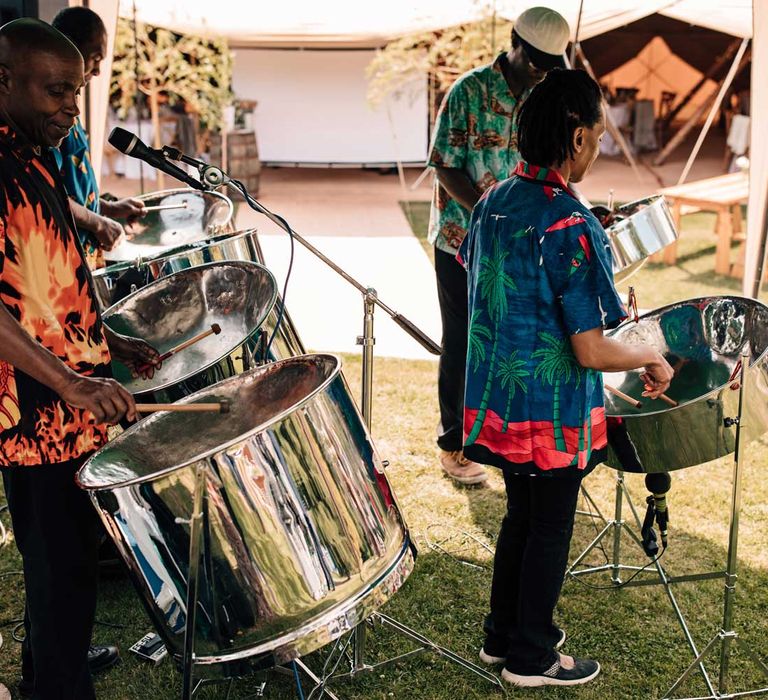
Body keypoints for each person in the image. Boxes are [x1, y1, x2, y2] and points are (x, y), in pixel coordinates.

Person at [458, 69, 673, 687]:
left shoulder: (493, 202)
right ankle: (532, 659)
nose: (600, 146)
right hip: (549, 412)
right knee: (549, 525)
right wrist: (650, 358)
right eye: (598, 135)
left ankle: (504, 638)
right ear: (576, 138)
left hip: (502, 401)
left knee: (520, 518)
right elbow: (590, 349)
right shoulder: (569, 223)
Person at [0, 19, 160, 699]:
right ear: (4, 80)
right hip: (36, 415)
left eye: (77, 91)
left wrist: (109, 341)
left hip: (66, 403)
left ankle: (46, 676)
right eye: (57, 90)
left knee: (58, 570)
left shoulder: (29, 157)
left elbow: (51, 271)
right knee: (62, 570)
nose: (71, 106)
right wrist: (68, 378)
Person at [427, 6, 571, 485]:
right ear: (513, 42)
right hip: (461, 238)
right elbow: (444, 164)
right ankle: (455, 444)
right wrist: (489, 211)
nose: (540, 71)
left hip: (517, 246)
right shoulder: (469, 90)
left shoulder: (545, 97)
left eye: (550, 64)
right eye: (534, 61)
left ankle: (499, 438)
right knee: (464, 340)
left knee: (511, 341)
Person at [51, 6, 146, 269]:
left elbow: (73, 190)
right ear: (70, 50)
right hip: (63, 262)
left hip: (84, 258)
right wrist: (98, 222)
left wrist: (108, 208)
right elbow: (49, 196)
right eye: (95, 58)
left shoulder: (71, 111)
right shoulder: (48, 119)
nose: (98, 71)